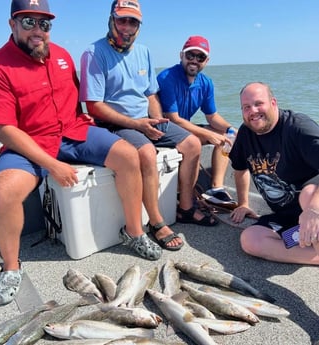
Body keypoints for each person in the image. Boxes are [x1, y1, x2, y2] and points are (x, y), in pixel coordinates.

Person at [0, 0, 164, 307]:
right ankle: (11, 268)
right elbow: (4, 130)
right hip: (29, 141)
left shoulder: (62, 56)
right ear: (12, 24)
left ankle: (133, 231)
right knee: (5, 191)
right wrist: (52, 165)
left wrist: (86, 119)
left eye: (45, 24)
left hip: (73, 131)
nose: (38, 30)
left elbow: (75, 99)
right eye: (29, 22)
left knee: (129, 156)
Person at [79, 0, 218, 250]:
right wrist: (138, 125)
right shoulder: (94, 53)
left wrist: (155, 120)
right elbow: (94, 107)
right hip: (115, 123)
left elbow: (151, 94)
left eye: (133, 21)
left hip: (145, 120)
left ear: (139, 25)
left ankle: (186, 207)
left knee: (192, 143)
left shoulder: (143, 52)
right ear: (111, 19)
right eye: (122, 20)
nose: (127, 27)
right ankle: (156, 222)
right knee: (145, 152)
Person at [229, 82, 319, 265]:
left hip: (313, 207)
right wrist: (243, 203)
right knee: (251, 240)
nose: (253, 111)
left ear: (273, 102)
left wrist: (314, 209)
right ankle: (313, 254)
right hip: (291, 220)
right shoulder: (246, 133)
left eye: (258, 103)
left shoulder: (298, 127)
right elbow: (239, 170)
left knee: (308, 195)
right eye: (246, 107)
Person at [157, 36, 238, 208]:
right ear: (181, 55)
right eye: (190, 55)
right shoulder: (167, 77)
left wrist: (232, 128)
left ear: (206, 61)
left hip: (185, 129)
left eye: (200, 57)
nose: (194, 60)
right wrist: (208, 134)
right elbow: (173, 118)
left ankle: (216, 189)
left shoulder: (206, 83)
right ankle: (185, 195)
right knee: (200, 139)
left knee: (225, 136)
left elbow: (212, 116)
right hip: (165, 130)